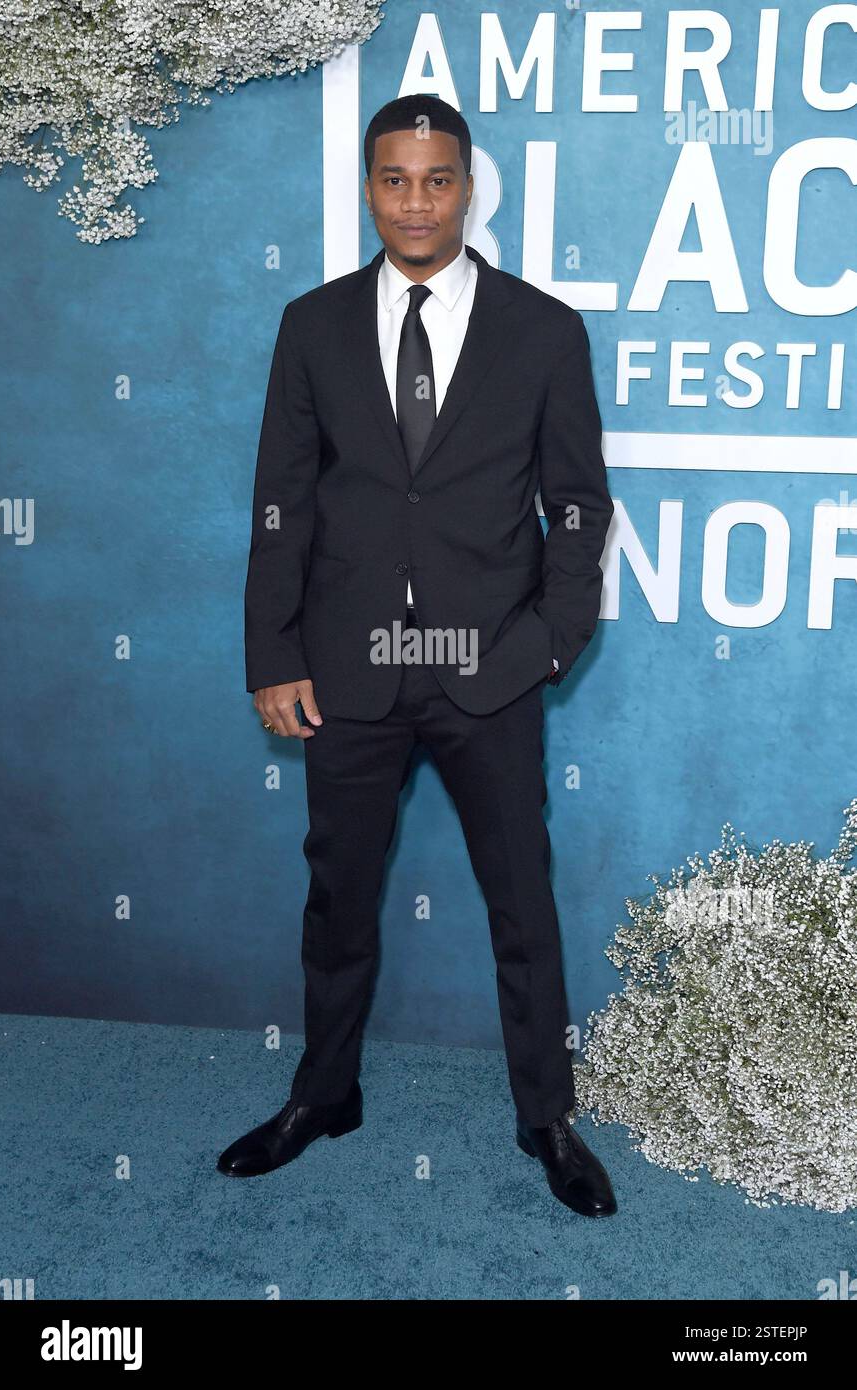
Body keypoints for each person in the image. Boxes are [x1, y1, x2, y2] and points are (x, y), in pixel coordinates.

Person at [217, 95, 617, 1217]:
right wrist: (271, 654)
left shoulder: (542, 330)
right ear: (366, 187)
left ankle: (546, 1117)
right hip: (346, 670)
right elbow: (280, 505)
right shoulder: (313, 324)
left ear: (466, 187)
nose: (415, 201)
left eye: (436, 179)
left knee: (519, 905)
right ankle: (323, 1092)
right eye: (393, 179)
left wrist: (542, 646)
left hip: (487, 669)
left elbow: (578, 509)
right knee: (337, 897)